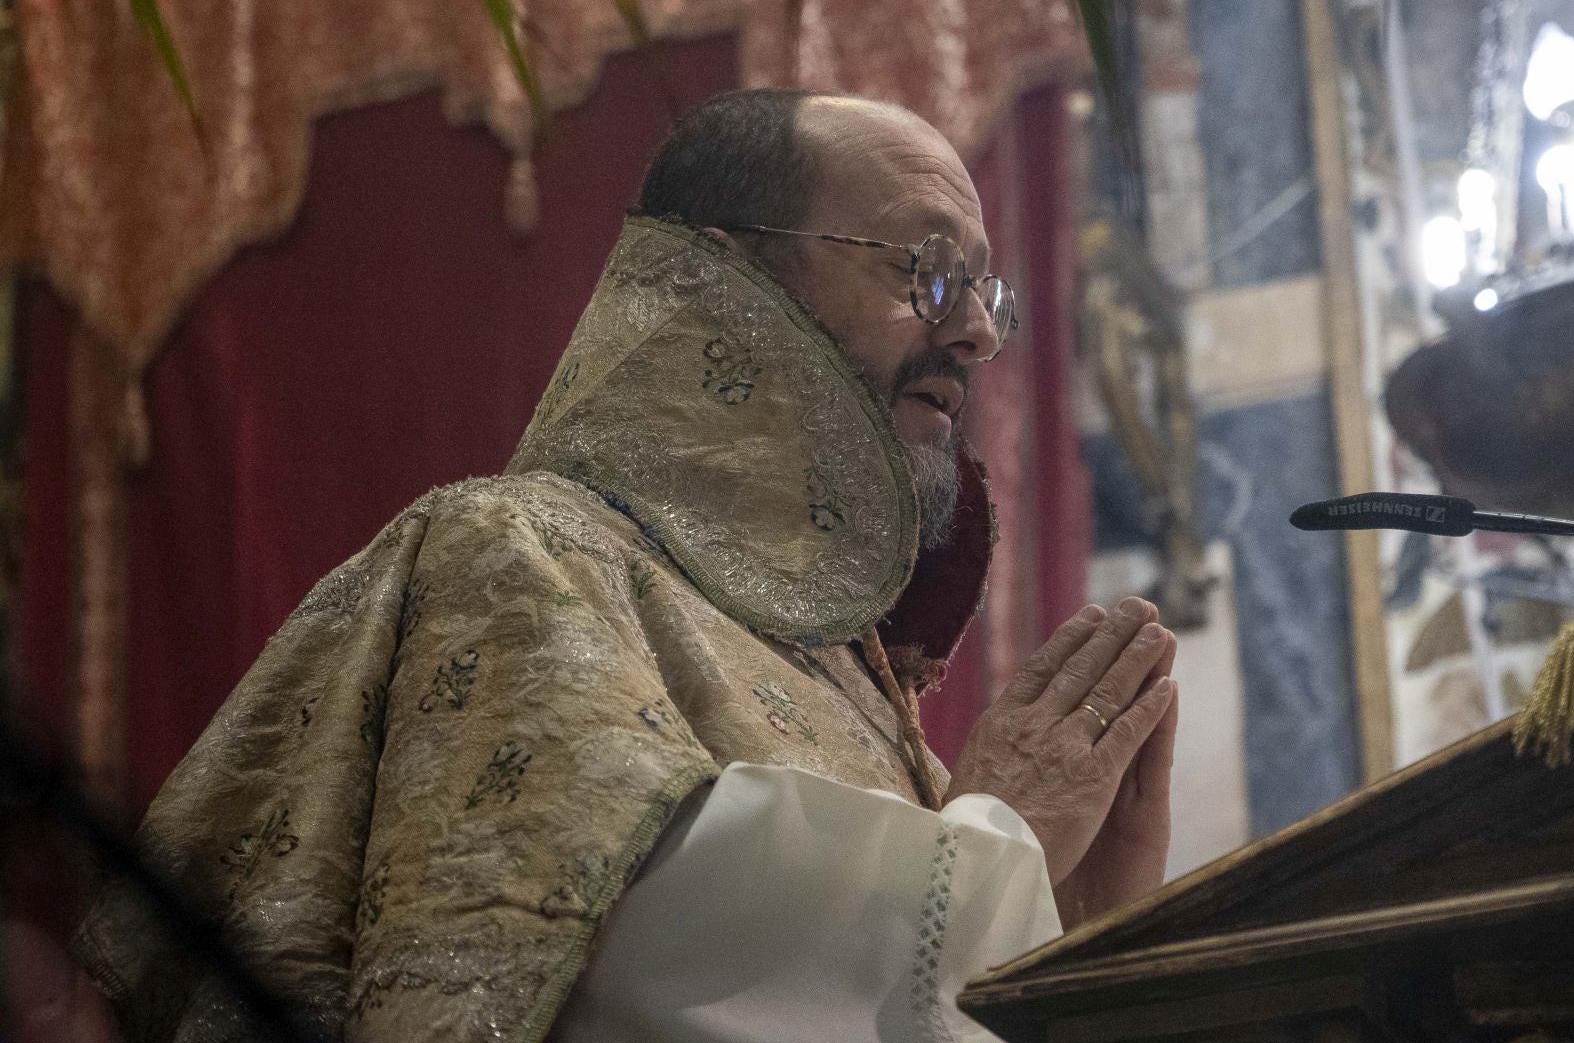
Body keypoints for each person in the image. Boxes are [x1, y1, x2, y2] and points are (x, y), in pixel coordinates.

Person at [74, 89, 1180, 1042]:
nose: (981, 332)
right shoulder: (517, 552)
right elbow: (637, 952)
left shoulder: (859, 676)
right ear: (726, 273)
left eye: (990, 292)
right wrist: (997, 851)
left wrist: (1077, 946)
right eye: (932, 270)